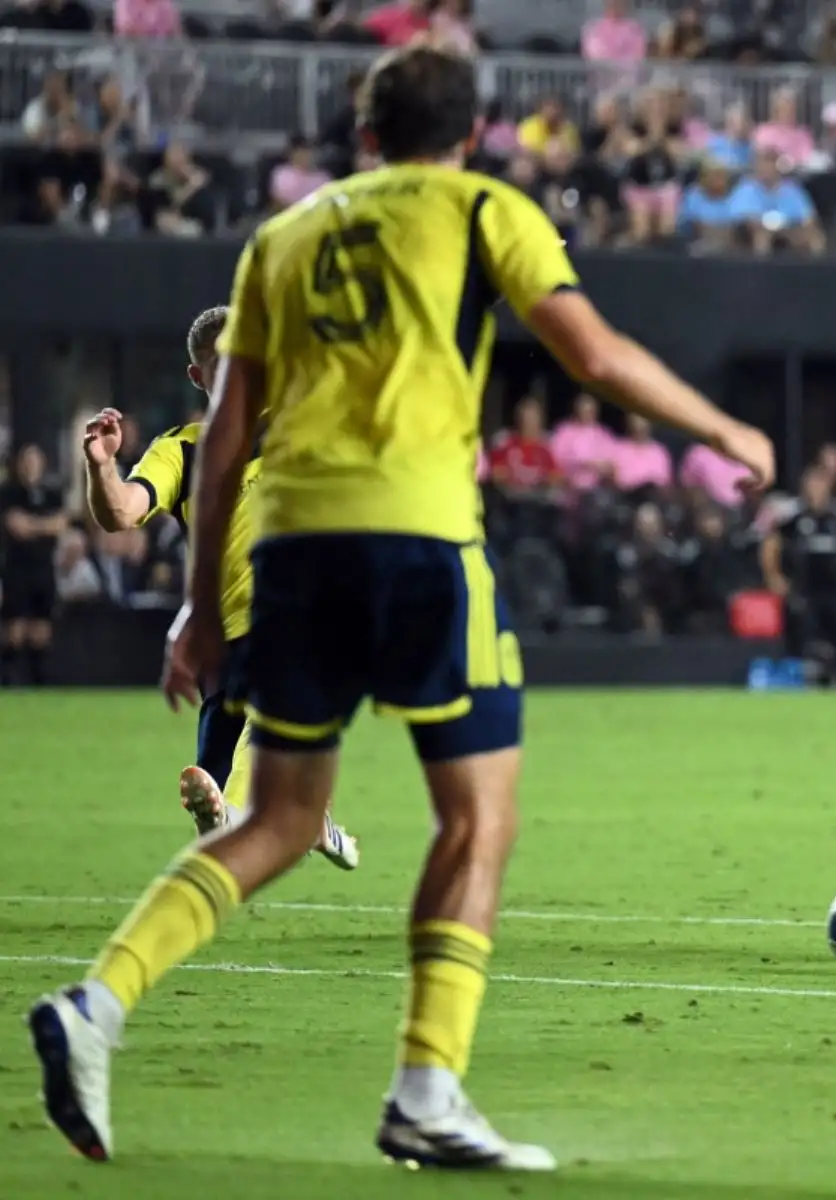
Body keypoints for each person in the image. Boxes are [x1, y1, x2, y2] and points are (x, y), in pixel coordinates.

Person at [26, 43, 774, 1173]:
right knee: (477, 820)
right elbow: (595, 353)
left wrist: (196, 609)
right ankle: (427, 1088)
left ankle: (98, 1001)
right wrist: (722, 432)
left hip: (292, 560)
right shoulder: (484, 207)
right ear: (471, 134)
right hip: (420, 540)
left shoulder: (282, 237)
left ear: (365, 135)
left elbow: (223, 440)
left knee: (276, 820)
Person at [80, 308, 359, 864]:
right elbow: (121, 513)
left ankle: (240, 811)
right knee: (215, 764)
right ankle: (307, 818)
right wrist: (101, 467)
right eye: (218, 363)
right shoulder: (182, 451)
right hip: (222, 637)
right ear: (197, 377)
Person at [0, 443, 67, 686]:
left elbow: (60, 525)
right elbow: (15, 525)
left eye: (35, 460)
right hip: (17, 569)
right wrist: (44, 525)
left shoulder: (52, 493)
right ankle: (11, 682)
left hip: (43, 569)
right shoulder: (8, 493)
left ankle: (40, 683)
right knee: (15, 630)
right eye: (26, 460)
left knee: (41, 631)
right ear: (19, 465)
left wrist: (32, 525)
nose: (30, 465)